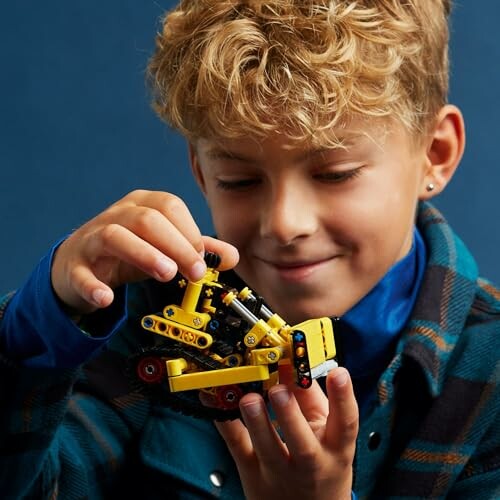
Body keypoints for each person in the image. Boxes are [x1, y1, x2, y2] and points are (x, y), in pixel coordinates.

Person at [1, 0, 499, 498]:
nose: (284, 223)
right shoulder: (147, 321)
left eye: (335, 174)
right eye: (239, 181)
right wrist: (44, 317)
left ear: (435, 154)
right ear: (200, 171)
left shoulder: (488, 375)